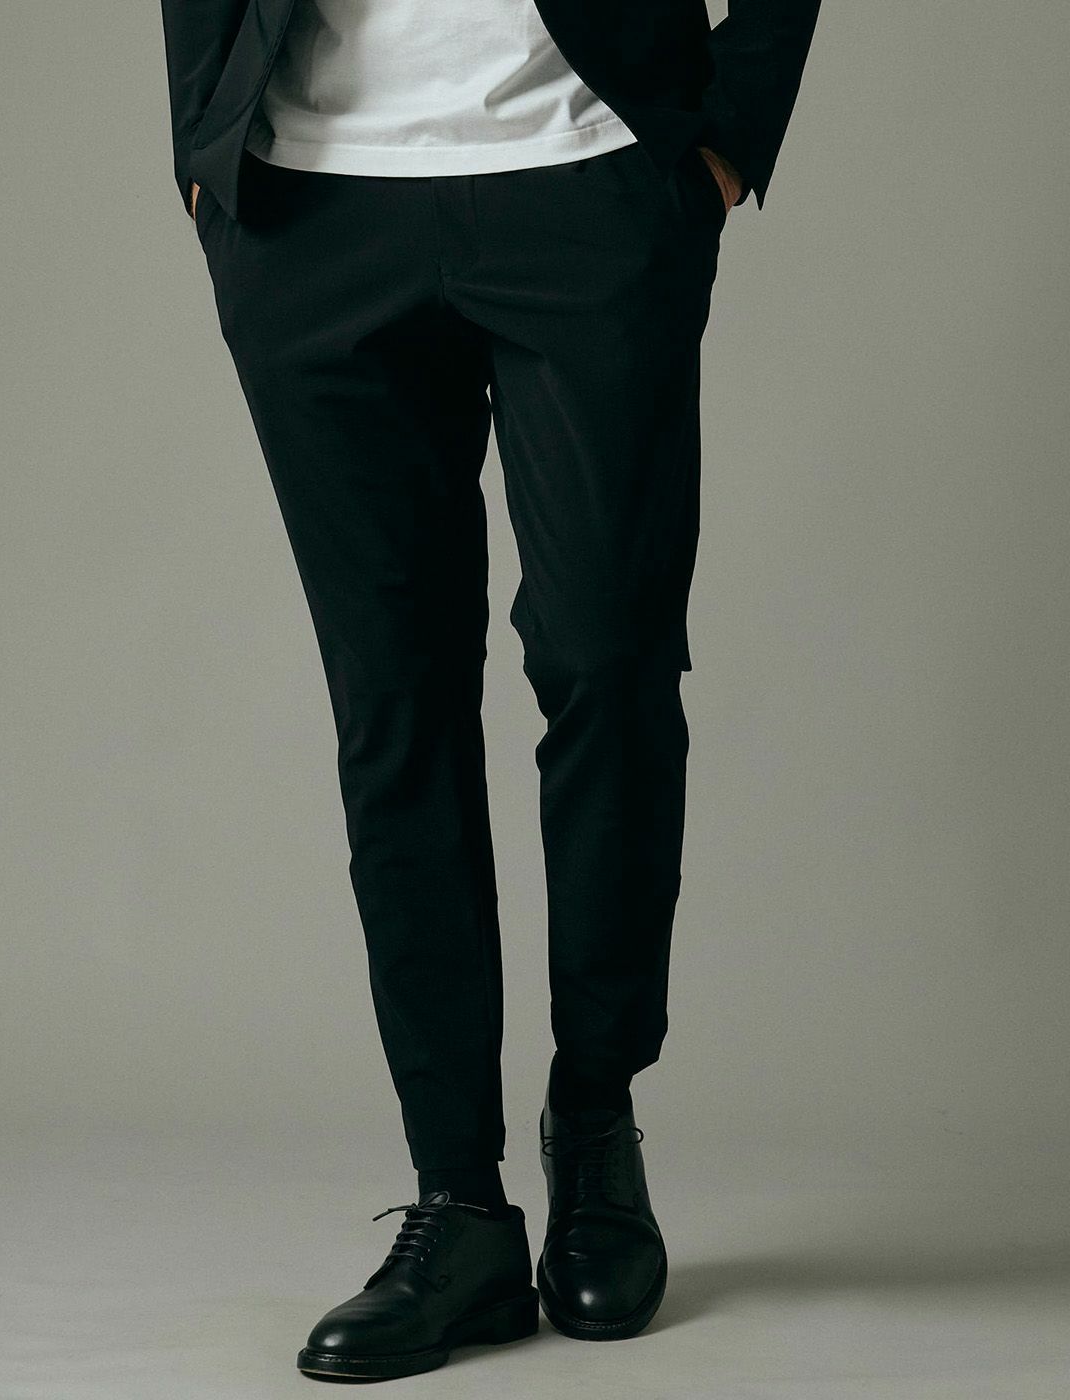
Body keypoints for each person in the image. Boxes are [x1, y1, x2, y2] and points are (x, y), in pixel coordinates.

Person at [160, 0, 822, 1380]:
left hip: (588, 175)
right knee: (393, 707)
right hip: (308, 203)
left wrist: (727, 135)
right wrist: (203, 142)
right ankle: (457, 1206)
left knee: (608, 660)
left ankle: (596, 1125)